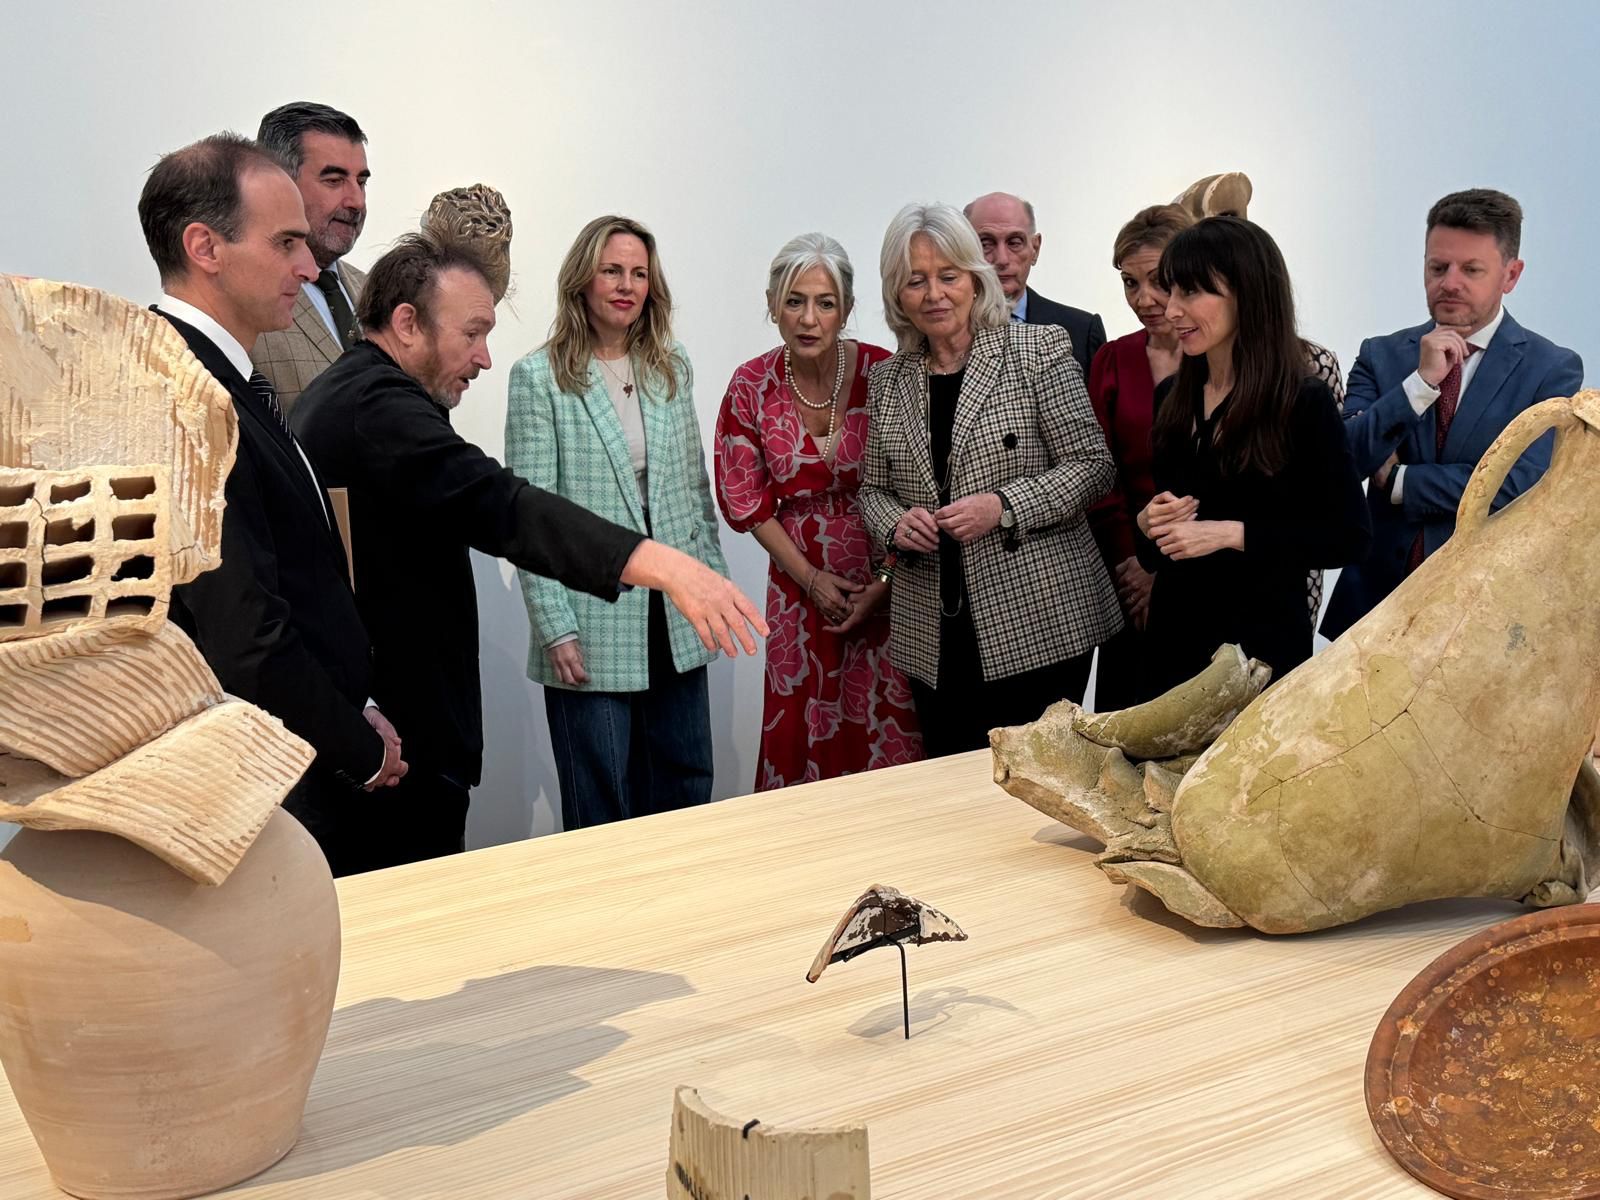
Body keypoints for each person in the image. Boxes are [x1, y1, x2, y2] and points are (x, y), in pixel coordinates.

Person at [294, 232, 764, 870]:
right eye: (472, 333)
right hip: (396, 740)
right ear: (407, 324)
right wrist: (661, 564)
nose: (484, 357)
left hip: (392, 727)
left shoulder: (358, 392)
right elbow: (504, 504)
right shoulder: (375, 407)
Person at [138, 132, 407, 873]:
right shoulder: (187, 394)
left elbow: (295, 578)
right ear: (205, 247)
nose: (310, 266)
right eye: (286, 242)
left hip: (298, 750)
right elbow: (245, 634)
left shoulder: (222, 379)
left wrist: (355, 705)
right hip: (268, 779)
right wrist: (356, 747)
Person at [859, 203, 1122, 755]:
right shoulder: (886, 380)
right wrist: (895, 523)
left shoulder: (1038, 349)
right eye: (916, 281)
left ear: (975, 280)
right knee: (952, 786)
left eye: (948, 276)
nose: (934, 294)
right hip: (933, 629)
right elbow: (873, 490)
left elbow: (1093, 466)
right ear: (897, 294)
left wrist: (1003, 505)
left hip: (1039, 619)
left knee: (1039, 783)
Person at [506, 216, 733, 829]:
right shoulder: (539, 377)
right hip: (590, 621)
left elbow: (693, 491)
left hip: (677, 619)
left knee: (687, 786)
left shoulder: (671, 365)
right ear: (582, 279)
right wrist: (554, 627)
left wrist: (711, 589)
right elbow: (528, 518)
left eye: (638, 273)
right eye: (612, 271)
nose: (626, 285)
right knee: (602, 803)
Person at [1321, 188, 1584, 639]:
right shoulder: (1381, 355)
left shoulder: (1552, 369)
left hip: (1482, 620)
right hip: (1370, 615)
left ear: (1511, 275)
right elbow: (1339, 464)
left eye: (1471, 270)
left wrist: (1400, 481)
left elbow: (1522, 485)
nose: (1449, 283)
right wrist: (1419, 386)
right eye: (1437, 267)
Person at [714, 233, 923, 790]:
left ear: (846, 309)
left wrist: (884, 582)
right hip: (796, 590)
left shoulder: (885, 372)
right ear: (772, 305)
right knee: (800, 738)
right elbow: (745, 500)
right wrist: (809, 579)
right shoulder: (750, 385)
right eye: (794, 301)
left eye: (825, 303)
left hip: (888, 583)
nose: (809, 319)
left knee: (888, 733)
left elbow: (919, 487)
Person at [1135, 216, 1370, 698]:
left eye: (1191, 292)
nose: (1172, 309)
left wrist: (1230, 534)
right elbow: (1160, 549)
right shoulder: (1170, 398)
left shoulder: (1303, 402)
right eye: (1171, 290)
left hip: (1261, 655)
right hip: (1173, 649)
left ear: (1248, 293)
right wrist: (1147, 523)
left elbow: (1348, 537)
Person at [1084, 204, 1194, 710]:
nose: (1143, 299)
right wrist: (1134, 565)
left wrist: (1163, 574)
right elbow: (1099, 475)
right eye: (1130, 283)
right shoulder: (1112, 358)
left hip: (1204, 574)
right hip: (1125, 579)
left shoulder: (1222, 359)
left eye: (1158, 281)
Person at [250, 102, 371, 417]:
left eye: (361, 182)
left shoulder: (376, 291)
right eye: (334, 181)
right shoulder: (242, 305)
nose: (356, 201)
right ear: (279, 184)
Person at [964, 191, 1105, 377]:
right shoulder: (941, 332)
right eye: (985, 244)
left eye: (1014, 243)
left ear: (1035, 249)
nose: (1002, 259)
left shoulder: (1081, 331)